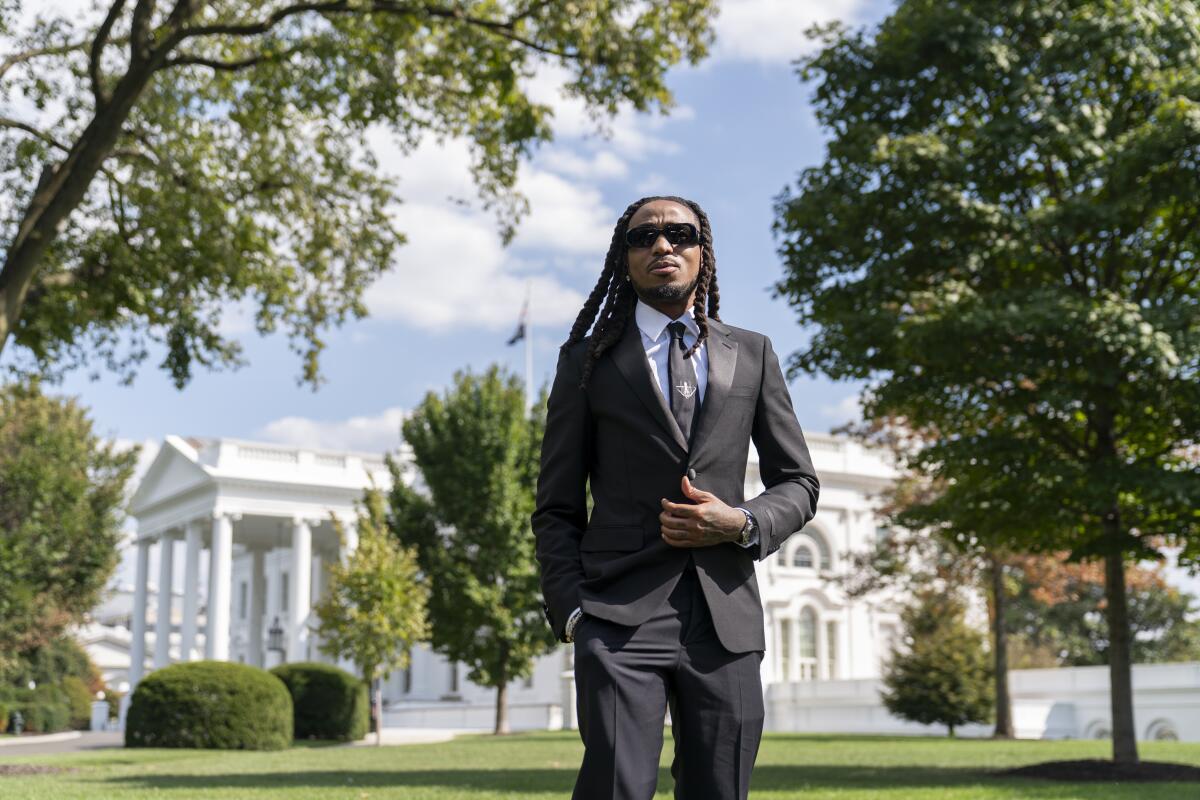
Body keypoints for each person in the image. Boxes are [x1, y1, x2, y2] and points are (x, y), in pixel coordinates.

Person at [532, 195, 821, 800]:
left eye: (679, 234)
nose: (663, 246)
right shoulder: (586, 363)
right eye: (644, 238)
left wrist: (741, 521)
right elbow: (557, 506)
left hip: (726, 620)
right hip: (617, 616)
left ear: (701, 251)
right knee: (616, 788)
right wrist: (572, 609)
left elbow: (799, 482)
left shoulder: (754, 353)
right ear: (624, 258)